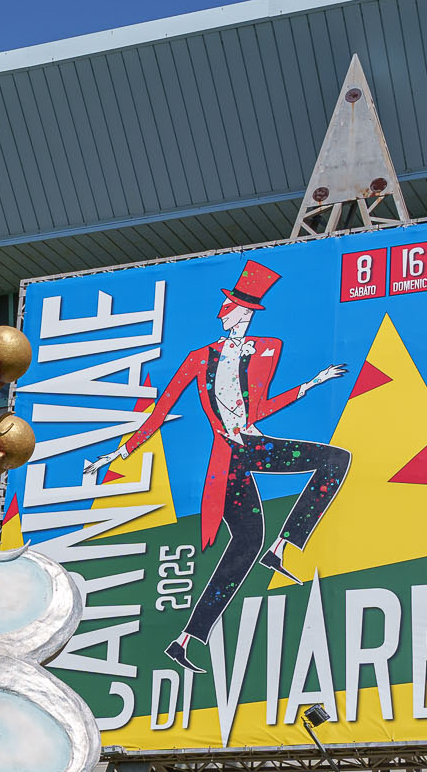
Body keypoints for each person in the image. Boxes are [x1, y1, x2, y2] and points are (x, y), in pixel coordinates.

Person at [129, 259, 350, 670]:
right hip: (229, 458)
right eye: (226, 306)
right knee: (247, 541)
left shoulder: (267, 348)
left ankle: (282, 547)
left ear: (245, 313)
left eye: (231, 307)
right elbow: (161, 410)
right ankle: (185, 639)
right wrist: (123, 452)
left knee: (334, 461)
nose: (223, 312)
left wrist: (310, 384)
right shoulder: (199, 358)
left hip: (253, 445)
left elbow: (257, 409)